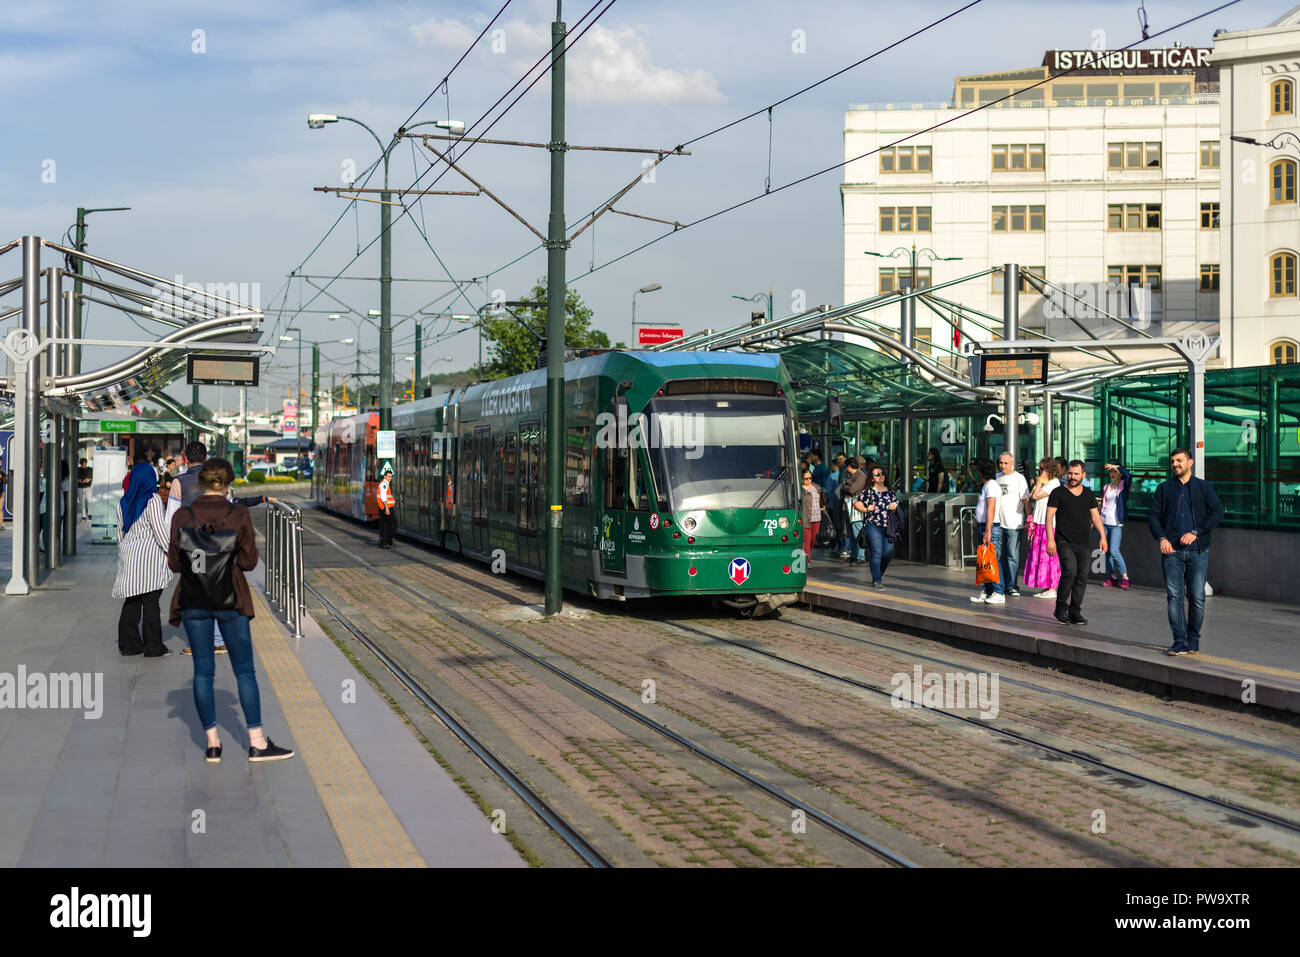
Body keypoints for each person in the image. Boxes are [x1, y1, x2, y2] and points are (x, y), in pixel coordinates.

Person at [168, 458, 294, 763]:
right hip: (232, 599)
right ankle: (257, 743)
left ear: (201, 483)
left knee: (202, 671)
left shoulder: (183, 515)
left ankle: (212, 744)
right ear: (228, 484)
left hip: (194, 600)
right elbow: (250, 562)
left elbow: (174, 564)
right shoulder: (237, 513)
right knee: (244, 670)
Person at [1148, 448, 1224, 656]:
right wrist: (1162, 538)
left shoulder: (1203, 487)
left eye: (1179, 460)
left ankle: (1193, 640)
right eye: (1172, 461)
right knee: (1174, 596)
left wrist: (1196, 532)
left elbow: (1218, 512)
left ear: (1190, 462)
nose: (1175, 464)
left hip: (1198, 552)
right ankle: (1179, 641)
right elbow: (1153, 516)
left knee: (1197, 597)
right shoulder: (1164, 489)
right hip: (1171, 552)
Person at [113, 461, 173, 657]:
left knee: (132, 600)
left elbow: (120, 534)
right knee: (150, 601)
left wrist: (124, 552)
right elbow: (159, 530)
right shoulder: (153, 500)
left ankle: (129, 645)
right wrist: (171, 551)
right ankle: (153, 646)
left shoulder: (123, 502)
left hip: (129, 556)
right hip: (149, 558)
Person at [1046, 460, 1108, 625]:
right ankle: (1060, 607)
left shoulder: (1088, 493)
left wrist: (1103, 536)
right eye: (1070, 474)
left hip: (1083, 542)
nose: (1072, 477)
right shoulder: (1058, 492)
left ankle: (1075, 611)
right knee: (1070, 571)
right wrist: (1050, 539)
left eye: (1076, 474)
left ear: (1083, 475)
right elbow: (1049, 516)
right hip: (1063, 541)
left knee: (1082, 576)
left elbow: (1095, 516)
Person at [1022, 458, 1062, 599]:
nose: (1039, 471)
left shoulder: (1054, 483)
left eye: (1042, 469)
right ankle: (1046, 585)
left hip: (1048, 523)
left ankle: (1052, 587)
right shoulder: (1047, 483)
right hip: (1040, 522)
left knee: (1049, 555)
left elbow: (1036, 495)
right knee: (1039, 555)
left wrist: (1039, 482)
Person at [854, 464, 899, 587]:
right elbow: (857, 504)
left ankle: (878, 573)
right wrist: (866, 509)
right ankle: (877, 579)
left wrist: (894, 507)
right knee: (877, 551)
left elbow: (896, 504)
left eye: (882, 474)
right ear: (872, 478)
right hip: (873, 525)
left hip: (888, 526)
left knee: (888, 553)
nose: (881, 476)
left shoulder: (890, 492)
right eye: (877, 474)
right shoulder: (867, 492)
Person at [994, 452, 1029, 597]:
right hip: (998, 523)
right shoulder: (996, 478)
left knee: (1012, 555)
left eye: (1006, 463)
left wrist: (1029, 518)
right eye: (1001, 463)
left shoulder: (1019, 478)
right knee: (999, 556)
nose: (1003, 466)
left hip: (1014, 523)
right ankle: (1001, 585)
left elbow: (1026, 499)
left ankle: (1012, 585)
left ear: (1012, 463)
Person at [970, 459, 1005, 604]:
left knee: (992, 559)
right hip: (984, 526)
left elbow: (991, 507)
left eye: (977, 470)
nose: (976, 473)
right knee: (985, 560)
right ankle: (988, 589)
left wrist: (988, 529)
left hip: (990, 526)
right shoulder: (987, 485)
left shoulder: (991, 486)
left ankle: (998, 591)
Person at [1100, 462, 1132, 589]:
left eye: (1115, 471)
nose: (1112, 474)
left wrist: (1117, 466)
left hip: (1116, 524)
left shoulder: (1123, 486)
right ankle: (1112, 577)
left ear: (1120, 473)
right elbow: (1103, 505)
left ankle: (1125, 578)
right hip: (1104, 522)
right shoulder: (1106, 487)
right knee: (1107, 552)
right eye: (1111, 471)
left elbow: (1128, 475)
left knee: (1114, 551)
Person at [838, 457, 869, 565]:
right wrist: (846, 487)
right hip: (847, 506)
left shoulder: (860, 476)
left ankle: (861, 556)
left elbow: (851, 489)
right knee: (850, 533)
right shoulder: (851, 476)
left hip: (856, 507)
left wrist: (845, 487)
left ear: (849, 467)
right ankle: (854, 555)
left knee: (857, 531)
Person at [800, 470, 820, 559]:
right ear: (801, 479)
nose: (808, 480)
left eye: (810, 478)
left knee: (813, 540)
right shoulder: (800, 490)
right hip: (806, 517)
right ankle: (808, 560)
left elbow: (821, 498)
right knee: (807, 540)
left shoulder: (816, 487)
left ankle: (808, 554)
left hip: (817, 517)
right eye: (806, 479)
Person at [377, 460, 397, 548]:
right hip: (386, 507)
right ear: (385, 476)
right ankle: (387, 541)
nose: (390, 478)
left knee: (386, 525)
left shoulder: (385, 484)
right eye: (389, 476)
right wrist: (387, 508)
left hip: (385, 507)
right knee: (393, 525)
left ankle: (385, 542)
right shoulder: (384, 485)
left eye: (391, 476)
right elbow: (383, 497)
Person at [77, 456, 93, 522]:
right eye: (82, 464)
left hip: (88, 487)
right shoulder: (78, 469)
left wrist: (89, 479)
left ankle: (89, 514)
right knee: (82, 503)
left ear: (86, 463)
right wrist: (79, 480)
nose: (84, 465)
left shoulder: (90, 469)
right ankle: (84, 515)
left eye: (85, 463)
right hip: (80, 487)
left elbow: (93, 477)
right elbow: (76, 478)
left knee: (90, 501)